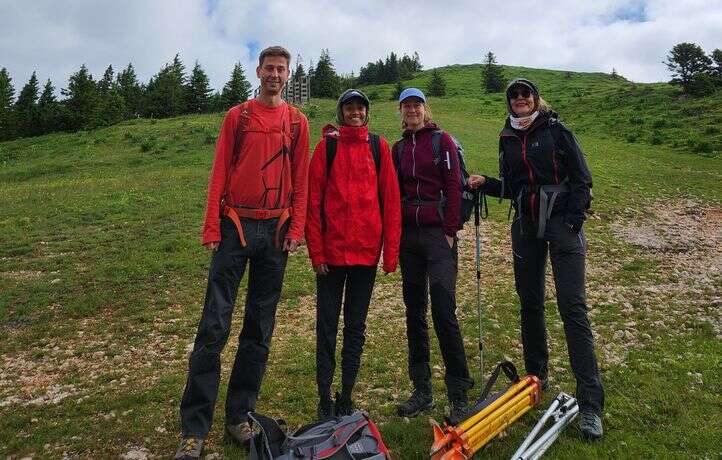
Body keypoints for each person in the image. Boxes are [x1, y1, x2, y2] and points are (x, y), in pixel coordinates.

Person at [175, 46, 310, 460]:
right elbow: (219, 171)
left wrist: (297, 228)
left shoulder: (297, 122)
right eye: (268, 68)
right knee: (213, 326)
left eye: (280, 69)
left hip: (275, 232)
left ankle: (239, 416)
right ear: (259, 71)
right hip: (235, 227)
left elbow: (302, 179)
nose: (274, 74)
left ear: (288, 75)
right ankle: (194, 428)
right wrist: (210, 227)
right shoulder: (239, 116)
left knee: (259, 330)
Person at [468, 78, 605, 440]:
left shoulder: (558, 132)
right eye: (514, 95)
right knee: (530, 304)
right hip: (526, 225)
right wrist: (489, 183)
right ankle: (535, 379)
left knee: (572, 307)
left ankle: (590, 404)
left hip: (562, 224)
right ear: (509, 102)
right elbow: (515, 187)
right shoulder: (507, 137)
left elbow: (582, 179)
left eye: (525, 93)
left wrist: (574, 219)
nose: (520, 99)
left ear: (535, 98)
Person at [305, 89, 401, 420]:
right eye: (349, 107)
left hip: (365, 256)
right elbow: (312, 204)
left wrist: (391, 254)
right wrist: (316, 252)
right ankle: (323, 398)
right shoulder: (326, 148)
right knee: (326, 326)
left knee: (355, 327)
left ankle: (345, 394)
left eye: (360, 107)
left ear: (367, 112)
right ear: (341, 111)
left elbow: (391, 201)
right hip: (330, 257)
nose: (355, 112)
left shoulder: (379, 147)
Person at [392, 88, 474, 422]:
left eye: (416, 105)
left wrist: (451, 230)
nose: (412, 110)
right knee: (414, 312)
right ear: (401, 111)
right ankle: (422, 391)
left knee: (443, 312)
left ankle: (459, 394)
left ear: (426, 109)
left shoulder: (443, 141)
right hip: (409, 238)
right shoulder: (398, 149)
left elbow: (454, 186)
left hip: (439, 236)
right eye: (406, 106)